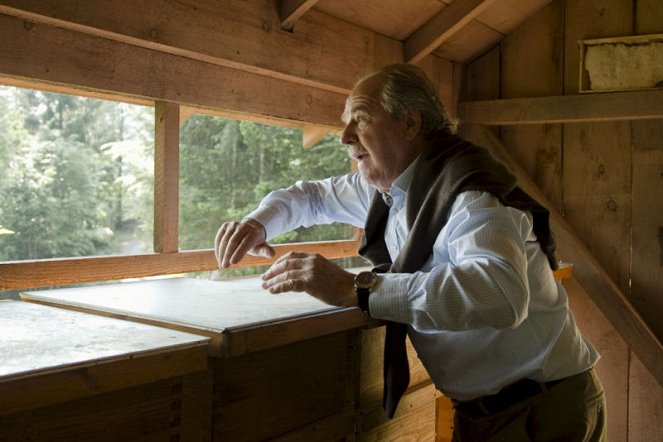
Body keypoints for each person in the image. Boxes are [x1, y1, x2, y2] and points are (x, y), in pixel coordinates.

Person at [214, 63, 606, 441]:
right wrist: (257, 224)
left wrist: (358, 289)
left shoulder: (471, 194)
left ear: (411, 123)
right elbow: (311, 197)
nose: (344, 136)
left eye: (361, 118)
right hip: (489, 413)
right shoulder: (389, 191)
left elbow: (501, 294)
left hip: (540, 410)